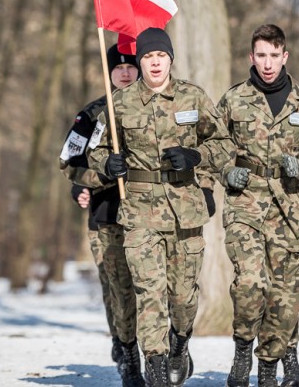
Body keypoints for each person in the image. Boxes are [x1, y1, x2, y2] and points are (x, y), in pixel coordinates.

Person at [89, 27, 232, 387]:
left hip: (185, 210)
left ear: (170, 59)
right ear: (140, 61)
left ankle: (180, 343)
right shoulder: (119, 103)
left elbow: (225, 145)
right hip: (138, 212)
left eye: (160, 56)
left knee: (182, 298)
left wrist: (195, 155)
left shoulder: (192, 97)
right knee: (148, 293)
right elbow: (94, 150)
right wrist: (107, 164)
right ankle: (155, 369)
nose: (155, 63)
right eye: (148, 57)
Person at [218, 24, 299, 387]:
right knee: (251, 284)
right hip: (248, 206)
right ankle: (244, 346)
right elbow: (210, 150)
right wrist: (227, 171)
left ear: (285, 56)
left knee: (286, 300)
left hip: (296, 213)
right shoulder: (233, 100)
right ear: (251, 57)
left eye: (274, 56)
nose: (268, 63)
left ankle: (271, 367)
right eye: (261, 55)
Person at [59, 43, 143, 386]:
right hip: (106, 216)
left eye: (130, 66)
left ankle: (162, 349)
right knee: (117, 290)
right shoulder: (92, 114)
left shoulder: (160, 111)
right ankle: (127, 353)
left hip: (154, 217)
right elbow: (70, 162)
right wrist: (87, 184)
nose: (125, 72)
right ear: (109, 72)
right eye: (118, 67)